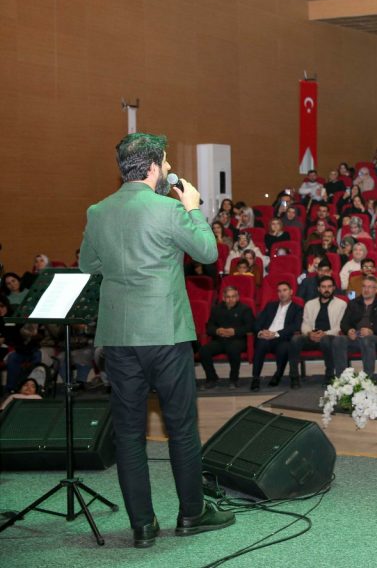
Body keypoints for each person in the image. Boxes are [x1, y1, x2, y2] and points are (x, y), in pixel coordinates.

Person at [78, 133, 234, 547]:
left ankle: (142, 526)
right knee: (181, 428)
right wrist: (194, 208)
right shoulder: (168, 209)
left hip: (119, 337)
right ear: (151, 167)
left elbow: (88, 264)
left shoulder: (98, 211)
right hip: (166, 333)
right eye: (164, 163)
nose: (167, 169)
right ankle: (191, 513)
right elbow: (207, 252)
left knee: (129, 433)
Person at [198, 286, 254, 389]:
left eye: (233, 296)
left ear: (238, 297)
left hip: (238, 340)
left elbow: (250, 326)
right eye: (228, 297)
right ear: (223, 298)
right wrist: (217, 331)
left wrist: (234, 331)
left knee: (233, 348)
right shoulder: (216, 309)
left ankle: (234, 379)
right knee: (203, 350)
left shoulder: (245, 309)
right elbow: (209, 327)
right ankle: (212, 378)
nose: (231, 299)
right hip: (220, 340)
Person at [295, 275, 348, 385]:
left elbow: (340, 326)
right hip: (312, 336)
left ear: (334, 288)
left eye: (329, 287)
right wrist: (309, 333)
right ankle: (294, 377)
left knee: (325, 340)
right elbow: (305, 324)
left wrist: (325, 333)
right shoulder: (310, 304)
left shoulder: (341, 304)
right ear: (318, 289)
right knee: (295, 339)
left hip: (330, 337)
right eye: (323, 287)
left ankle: (329, 375)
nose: (326, 289)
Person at [251, 281, 303, 390]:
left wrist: (276, 334)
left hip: (282, 338)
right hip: (266, 337)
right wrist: (261, 332)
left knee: (284, 347)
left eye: (285, 290)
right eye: (279, 291)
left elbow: (295, 326)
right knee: (260, 344)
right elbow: (257, 322)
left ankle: (278, 375)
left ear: (291, 292)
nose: (282, 293)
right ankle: (255, 378)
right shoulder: (270, 306)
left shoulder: (297, 308)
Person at [337, 276, 377, 380]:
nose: (366, 290)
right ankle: (342, 378)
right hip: (355, 336)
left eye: (370, 287)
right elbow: (344, 323)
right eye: (364, 286)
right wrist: (349, 331)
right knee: (338, 340)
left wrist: (371, 330)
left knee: (367, 340)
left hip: (373, 337)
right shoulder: (353, 303)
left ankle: (367, 378)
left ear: (376, 289)